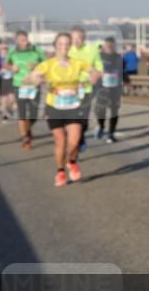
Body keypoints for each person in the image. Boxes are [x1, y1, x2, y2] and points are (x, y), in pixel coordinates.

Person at [25, 32, 100, 186]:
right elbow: (32, 76)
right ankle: (60, 172)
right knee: (61, 141)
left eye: (67, 44)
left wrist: (94, 76)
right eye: (60, 44)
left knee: (74, 141)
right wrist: (36, 78)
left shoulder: (77, 63)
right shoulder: (48, 64)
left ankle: (71, 161)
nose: (64, 47)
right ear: (55, 46)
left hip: (73, 105)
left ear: (70, 46)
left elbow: (94, 71)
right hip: (54, 106)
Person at [6, 30, 47, 150]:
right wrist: (11, 67)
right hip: (19, 85)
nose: (24, 42)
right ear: (17, 41)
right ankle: (26, 138)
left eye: (25, 39)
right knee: (22, 113)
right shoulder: (12, 51)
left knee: (34, 114)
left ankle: (27, 130)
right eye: (21, 40)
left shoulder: (36, 49)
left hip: (34, 85)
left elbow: (46, 64)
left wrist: (36, 66)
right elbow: (4, 64)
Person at [68, 27, 103, 151]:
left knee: (83, 118)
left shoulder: (92, 50)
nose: (76, 41)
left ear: (84, 39)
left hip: (86, 88)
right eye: (73, 38)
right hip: (69, 89)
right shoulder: (66, 50)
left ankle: (81, 138)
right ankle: (74, 142)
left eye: (79, 38)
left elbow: (99, 67)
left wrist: (95, 75)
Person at [95, 36, 124, 143]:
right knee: (100, 110)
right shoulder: (99, 57)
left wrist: (127, 81)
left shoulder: (118, 57)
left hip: (115, 89)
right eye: (107, 45)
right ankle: (101, 126)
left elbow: (123, 71)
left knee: (114, 111)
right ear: (104, 45)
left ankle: (111, 133)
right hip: (102, 88)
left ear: (114, 45)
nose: (109, 47)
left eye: (111, 45)